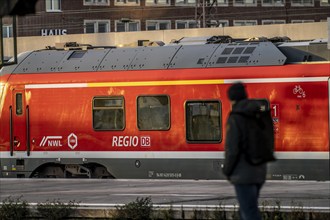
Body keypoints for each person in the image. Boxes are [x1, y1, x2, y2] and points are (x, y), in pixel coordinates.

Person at [222, 82, 267, 220]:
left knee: (249, 213)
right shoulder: (257, 114)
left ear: (232, 98)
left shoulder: (235, 118)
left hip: (243, 173)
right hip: (259, 171)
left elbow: (232, 149)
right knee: (247, 210)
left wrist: (227, 170)